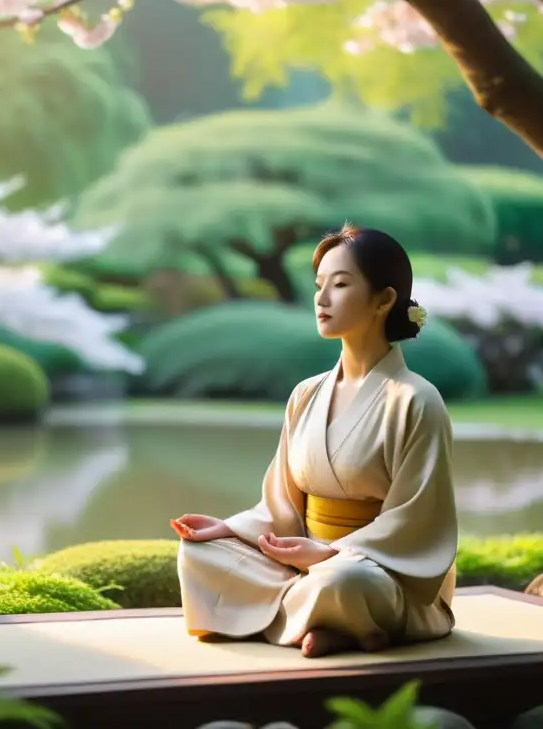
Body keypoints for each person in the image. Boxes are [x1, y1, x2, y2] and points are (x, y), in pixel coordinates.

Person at [170, 225, 457, 658]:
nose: (321, 299)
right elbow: (281, 503)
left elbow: (419, 523)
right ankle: (333, 624)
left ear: (384, 299)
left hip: (379, 567)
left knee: (346, 582)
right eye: (319, 285)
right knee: (201, 554)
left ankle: (314, 615)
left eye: (340, 285)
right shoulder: (307, 393)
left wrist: (328, 554)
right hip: (303, 558)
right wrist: (231, 529)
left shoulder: (417, 400)